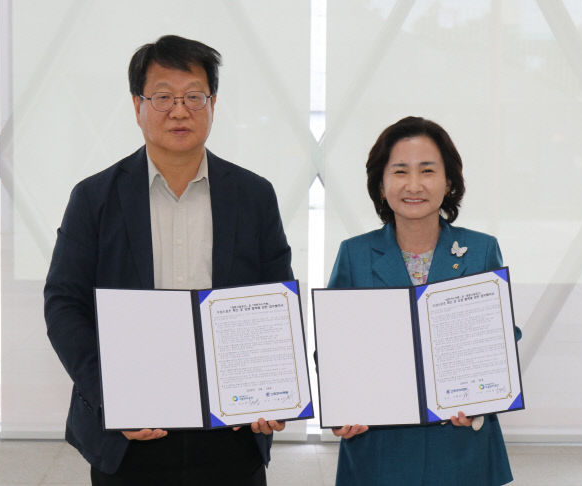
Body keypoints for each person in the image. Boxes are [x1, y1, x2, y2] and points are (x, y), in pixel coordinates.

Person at [44, 34, 291, 486]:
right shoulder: (94, 198)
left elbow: (275, 301)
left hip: (230, 434)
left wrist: (272, 392)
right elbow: (64, 305)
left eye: (194, 96)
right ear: (137, 105)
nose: (180, 110)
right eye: (163, 97)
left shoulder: (254, 196)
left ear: (213, 104)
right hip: (129, 436)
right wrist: (112, 397)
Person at [327, 116, 520, 485]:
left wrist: (482, 400)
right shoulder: (354, 254)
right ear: (381, 185)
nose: (413, 185)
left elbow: (501, 339)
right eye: (400, 171)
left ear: (448, 183)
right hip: (379, 448)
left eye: (427, 170)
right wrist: (341, 407)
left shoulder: (481, 250)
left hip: (462, 448)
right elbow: (334, 346)